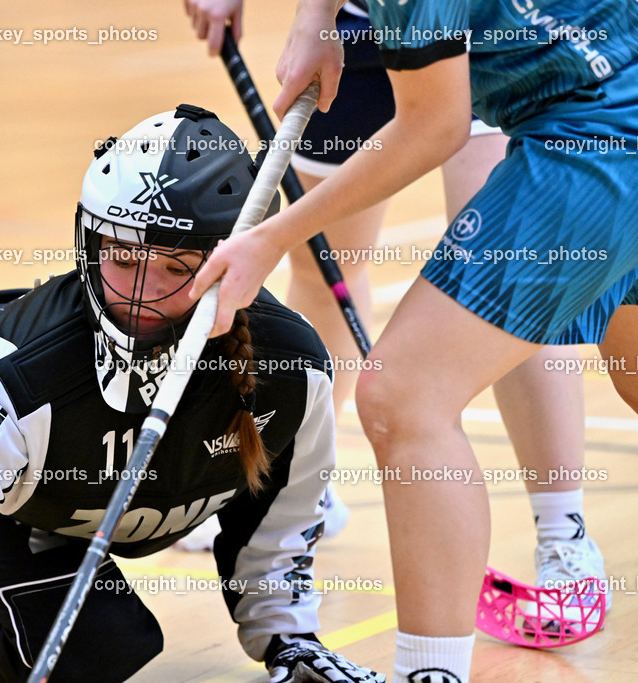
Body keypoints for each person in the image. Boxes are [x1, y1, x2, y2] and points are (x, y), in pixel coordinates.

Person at [0, 106, 385, 683]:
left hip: (60, 500)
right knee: (96, 650)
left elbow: (279, 520)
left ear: (239, 265)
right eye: (123, 257)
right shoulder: (16, 379)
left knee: (92, 636)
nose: (140, 295)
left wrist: (290, 640)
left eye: (177, 269)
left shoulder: (292, 370)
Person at [187, 2, 638, 681]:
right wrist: (320, 17)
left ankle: (436, 667)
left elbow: (433, 127)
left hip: (594, 135)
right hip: (609, 102)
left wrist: (270, 237)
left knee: (406, 393)